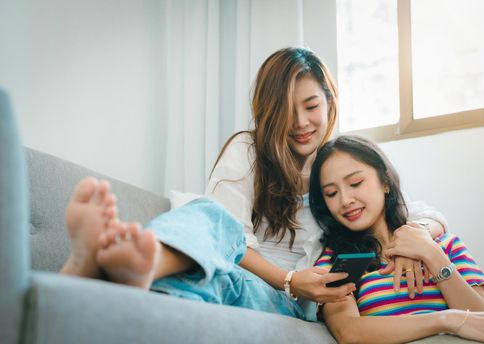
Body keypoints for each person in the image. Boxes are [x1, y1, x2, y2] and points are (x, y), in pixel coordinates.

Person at [60, 47, 447, 321]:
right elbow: (225, 236)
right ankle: (115, 275)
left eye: (311, 106)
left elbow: (423, 213)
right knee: (210, 229)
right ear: (267, 110)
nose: (300, 122)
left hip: (295, 303)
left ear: (330, 101)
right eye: (284, 109)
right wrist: (290, 279)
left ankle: (113, 269)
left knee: (222, 269)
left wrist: (414, 243)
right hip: (258, 279)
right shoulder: (249, 150)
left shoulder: (339, 162)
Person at [308, 135, 484, 344]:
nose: (345, 200)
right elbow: (349, 334)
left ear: (384, 181)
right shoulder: (336, 261)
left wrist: (431, 254)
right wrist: (445, 320)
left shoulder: (445, 244)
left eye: (355, 183)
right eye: (332, 193)